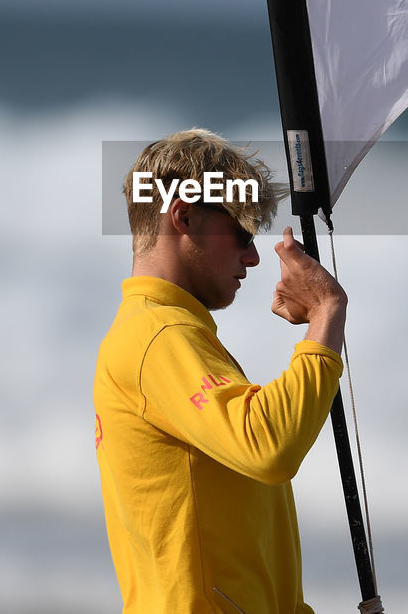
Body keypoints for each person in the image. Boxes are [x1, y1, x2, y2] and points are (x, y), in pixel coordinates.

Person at [94, 129, 347, 613]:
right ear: (184, 215)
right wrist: (325, 313)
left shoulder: (171, 333)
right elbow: (268, 445)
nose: (252, 257)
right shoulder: (157, 335)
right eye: (242, 233)